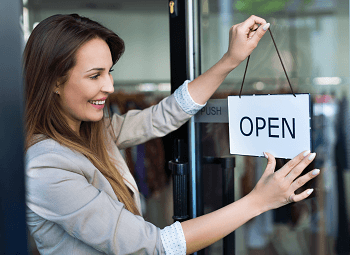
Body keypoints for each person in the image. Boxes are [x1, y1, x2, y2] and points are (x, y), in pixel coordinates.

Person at [24, 13, 319, 255]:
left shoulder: (93, 132)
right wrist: (258, 201)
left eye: (110, 72)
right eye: (95, 75)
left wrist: (231, 59)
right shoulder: (45, 167)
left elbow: (164, 115)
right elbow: (153, 245)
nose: (110, 87)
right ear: (54, 82)